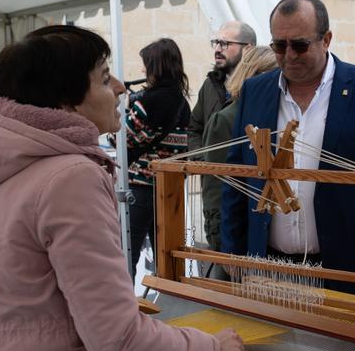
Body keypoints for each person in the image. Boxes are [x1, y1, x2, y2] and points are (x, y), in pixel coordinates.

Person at [0, 25, 245, 351]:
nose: (121, 87)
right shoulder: (69, 176)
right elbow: (116, 339)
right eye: (105, 77)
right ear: (68, 100)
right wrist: (210, 350)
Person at [221, 0, 355, 297]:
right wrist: (232, 250)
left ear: (326, 39)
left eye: (300, 45)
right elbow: (237, 175)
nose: (289, 55)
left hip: (345, 269)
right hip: (266, 267)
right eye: (279, 45)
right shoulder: (255, 91)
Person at [108, 38, 191, 268]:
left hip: (141, 186)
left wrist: (123, 112)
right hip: (171, 187)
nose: (143, 69)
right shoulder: (183, 103)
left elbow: (120, 139)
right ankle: (170, 299)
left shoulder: (146, 102)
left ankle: (127, 302)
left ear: (156, 66)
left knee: (128, 252)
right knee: (168, 256)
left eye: (145, 64)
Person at [201, 46, 278, 279]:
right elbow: (215, 184)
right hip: (235, 231)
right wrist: (220, 240)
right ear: (253, 75)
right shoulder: (226, 118)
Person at [187, 20, 257, 156]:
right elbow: (194, 129)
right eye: (216, 43)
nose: (218, 49)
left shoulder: (258, 86)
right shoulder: (210, 85)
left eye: (225, 44)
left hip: (243, 175)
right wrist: (202, 160)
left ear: (248, 48)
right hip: (210, 174)